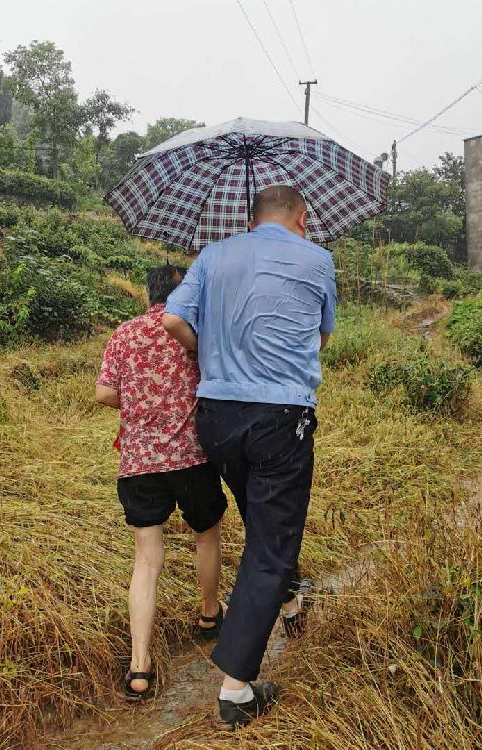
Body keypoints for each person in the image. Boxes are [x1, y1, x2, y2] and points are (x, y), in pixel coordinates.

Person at [162, 185, 336, 729]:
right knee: (270, 546)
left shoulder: (214, 255)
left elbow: (172, 320)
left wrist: (209, 348)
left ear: (254, 215)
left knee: (264, 524)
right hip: (280, 420)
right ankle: (236, 691)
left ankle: (287, 598)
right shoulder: (318, 259)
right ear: (301, 217)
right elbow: (323, 337)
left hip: (215, 418)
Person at [96, 265, 228, 701]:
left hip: (138, 464)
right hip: (191, 459)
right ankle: (210, 613)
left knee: (146, 561)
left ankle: (139, 666)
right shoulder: (194, 334)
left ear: (147, 293)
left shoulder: (124, 333)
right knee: (206, 534)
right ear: (183, 294)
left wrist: (138, 400)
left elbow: (104, 394)